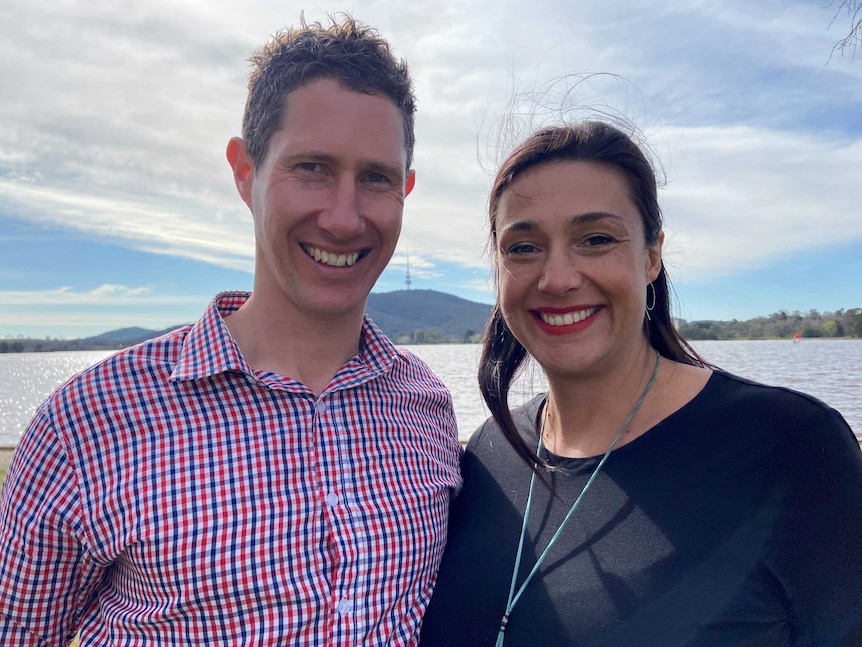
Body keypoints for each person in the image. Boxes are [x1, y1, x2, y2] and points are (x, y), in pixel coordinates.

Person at [0, 15, 462, 645]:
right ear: (245, 172)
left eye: (376, 178)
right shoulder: (87, 423)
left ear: (405, 190)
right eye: (313, 168)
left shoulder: (427, 412)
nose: (344, 217)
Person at [420, 121, 862, 646]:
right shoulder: (489, 454)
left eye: (596, 239)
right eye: (523, 247)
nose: (557, 278)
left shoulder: (791, 448)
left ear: (652, 256)